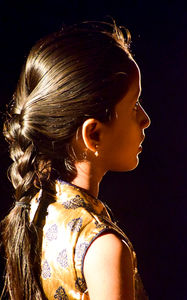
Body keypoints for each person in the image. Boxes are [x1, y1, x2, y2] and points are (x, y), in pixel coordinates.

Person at [1, 20, 150, 300]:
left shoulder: (34, 211)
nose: (145, 119)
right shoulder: (104, 248)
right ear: (93, 133)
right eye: (133, 106)